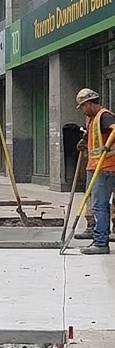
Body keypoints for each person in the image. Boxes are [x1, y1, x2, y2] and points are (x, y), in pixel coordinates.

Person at [74, 88, 115, 255]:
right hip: (97, 166)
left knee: (100, 206)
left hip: (105, 167)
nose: (82, 110)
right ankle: (99, 239)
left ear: (89, 103)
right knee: (99, 205)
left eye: (83, 106)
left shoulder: (104, 116)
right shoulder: (93, 119)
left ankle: (100, 242)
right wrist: (84, 143)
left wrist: (107, 147)